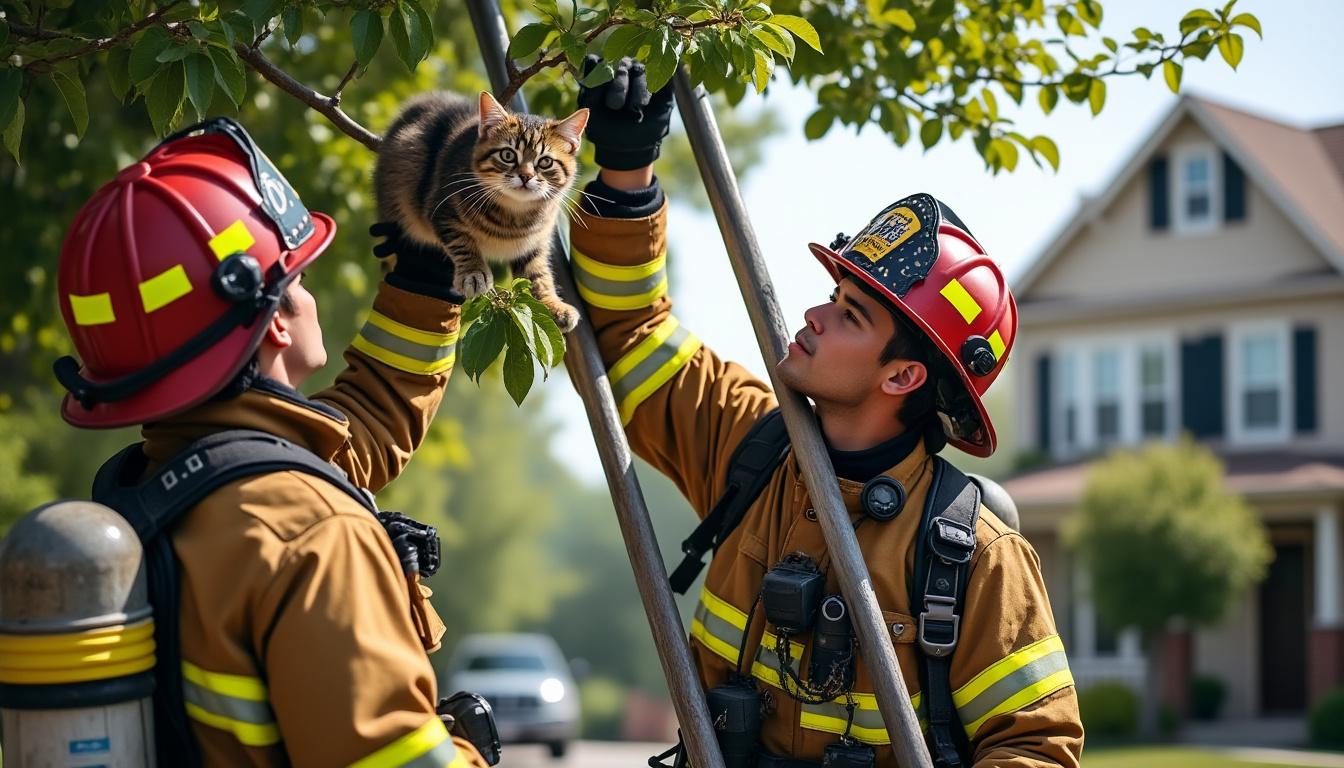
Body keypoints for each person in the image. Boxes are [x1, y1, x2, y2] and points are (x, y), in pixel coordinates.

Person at [569, 59, 1084, 767]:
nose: (811, 315)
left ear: (903, 373)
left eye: (849, 315)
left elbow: (1036, 749)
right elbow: (626, 336)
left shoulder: (977, 559)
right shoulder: (749, 446)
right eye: (832, 294)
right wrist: (627, 172)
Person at [52, 118, 488, 767]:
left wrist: (425, 284)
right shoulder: (312, 533)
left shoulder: (156, 493)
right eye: (301, 279)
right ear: (276, 321)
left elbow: (350, 435)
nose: (309, 295)